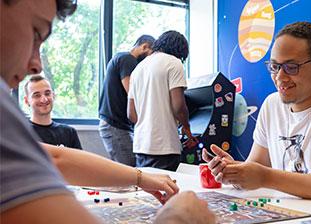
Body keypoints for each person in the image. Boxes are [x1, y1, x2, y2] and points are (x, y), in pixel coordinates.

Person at [0, 1, 214, 223]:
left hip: (142, 142)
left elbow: (55, 158)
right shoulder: (163, 63)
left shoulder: (139, 67)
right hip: (161, 143)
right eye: (36, 33)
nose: (37, 65)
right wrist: (177, 219)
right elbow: (179, 107)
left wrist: (140, 177)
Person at [203, 21, 311, 204]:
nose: (279, 77)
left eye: (291, 67)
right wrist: (235, 172)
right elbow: (256, 169)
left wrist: (266, 178)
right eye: (275, 66)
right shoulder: (271, 105)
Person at [127, 30, 198, 171]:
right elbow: (179, 106)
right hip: (164, 147)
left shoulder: (138, 69)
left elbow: (131, 114)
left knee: (145, 192)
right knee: (168, 191)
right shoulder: (173, 63)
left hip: (141, 146)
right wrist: (187, 129)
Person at [99, 34, 155, 166]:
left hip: (113, 124)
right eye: (150, 54)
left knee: (127, 170)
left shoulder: (119, 58)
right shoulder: (128, 59)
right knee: (131, 172)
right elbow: (132, 93)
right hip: (115, 125)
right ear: (144, 46)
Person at [24, 74, 82, 149]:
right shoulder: (21, 133)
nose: (44, 99)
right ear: (26, 101)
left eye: (47, 93)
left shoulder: (69, 133)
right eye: (37, 95)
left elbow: (78, 160)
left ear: (53, 96)